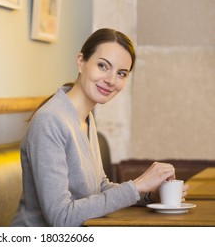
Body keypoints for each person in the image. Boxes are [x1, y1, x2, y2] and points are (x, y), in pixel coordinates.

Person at [11, 28, 189, 227]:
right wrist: (137, 185)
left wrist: (147, 194)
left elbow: (100, 187)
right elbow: (61, 217)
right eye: (103, 66)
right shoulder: (50, 120)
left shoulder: (85, 118)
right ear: (81, 62)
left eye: (121, 73)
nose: (111, 80)